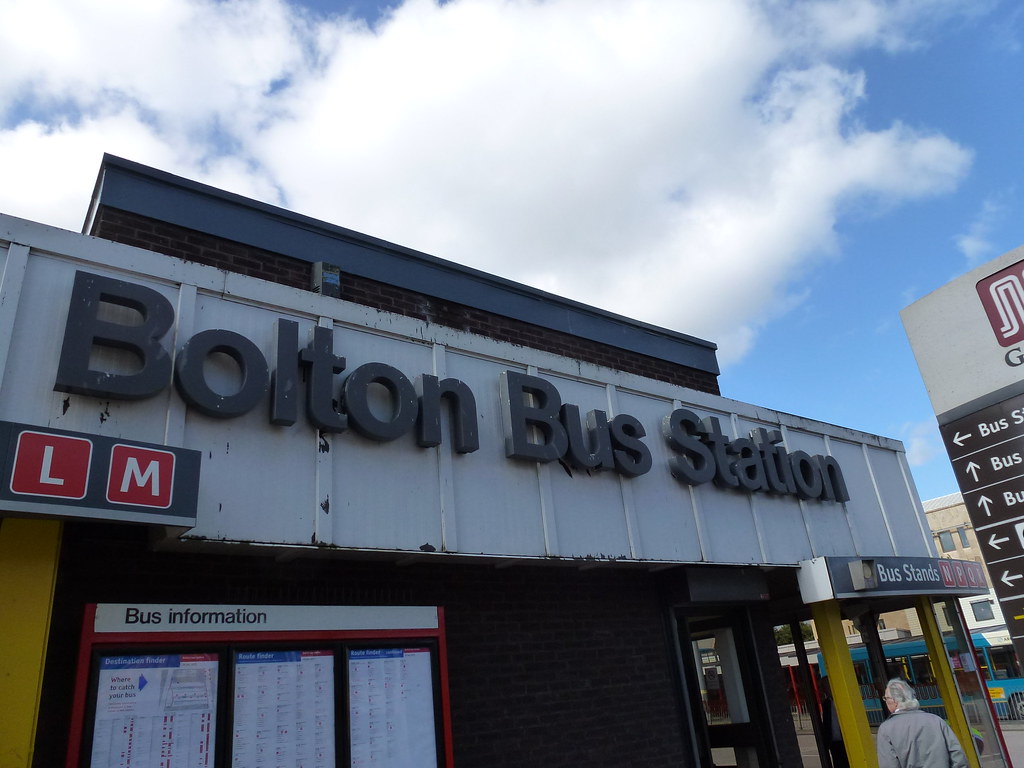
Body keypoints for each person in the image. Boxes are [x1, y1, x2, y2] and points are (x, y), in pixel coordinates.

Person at [876, 678, 968, 768]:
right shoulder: (936, 721)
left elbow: (889, 764)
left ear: (894, 701)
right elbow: (957, 756)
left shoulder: (886, 729)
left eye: (886, 698)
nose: (886, 701)